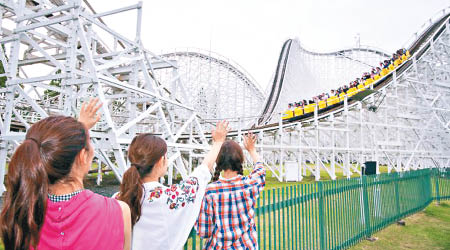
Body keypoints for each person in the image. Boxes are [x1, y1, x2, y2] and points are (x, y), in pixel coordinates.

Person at [0, 98, 131, 250]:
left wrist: (78, 131)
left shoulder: (22, 213)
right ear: (82, 156)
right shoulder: (119, 212)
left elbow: (52, 148)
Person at [116, 121, 230, 250]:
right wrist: (218, 142)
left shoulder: (118, 199)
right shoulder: (170, 197)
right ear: (160, 161)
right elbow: (202, 171)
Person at [196, 133, 265, 249]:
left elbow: (204, 232)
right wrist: (252, 150)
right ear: (240, 159)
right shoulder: (250, 184)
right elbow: (260, 169)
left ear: (218, 161)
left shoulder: (210, 191)